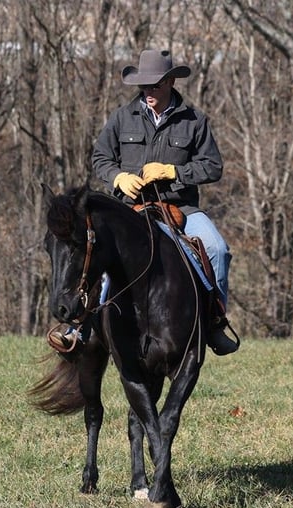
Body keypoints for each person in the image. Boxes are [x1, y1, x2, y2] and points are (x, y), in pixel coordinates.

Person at [51, 49, 238, 356]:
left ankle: (215, 323)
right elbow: (101, 158)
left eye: (155, 85)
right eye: (144, 85)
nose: (149, 91)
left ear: (170, 81)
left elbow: (213, 167)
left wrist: (174, 172)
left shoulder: (194, 121)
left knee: (217, 249)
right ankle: (80, 326)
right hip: (128, 210)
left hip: (181, 209)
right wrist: (118, 178)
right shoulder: (122, 117)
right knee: (94, 253)